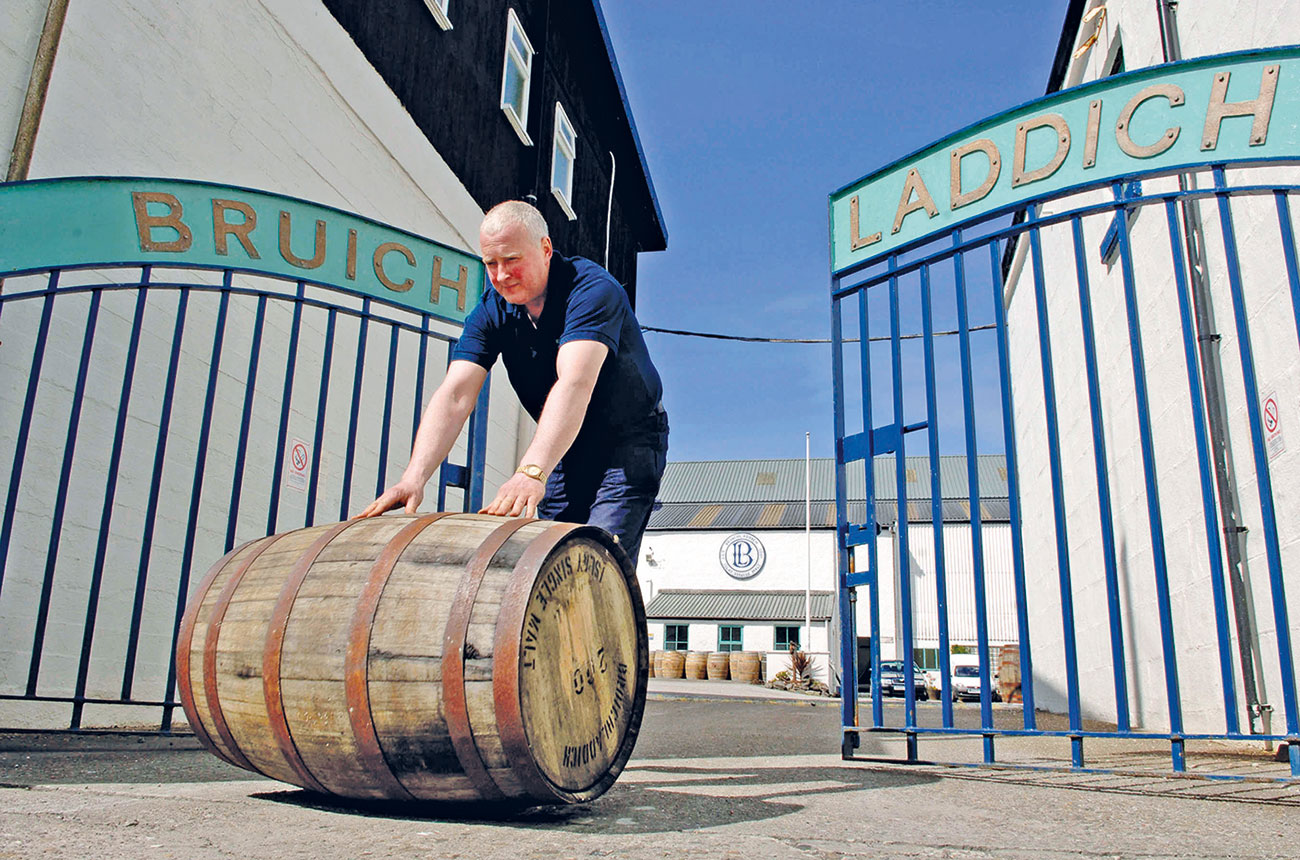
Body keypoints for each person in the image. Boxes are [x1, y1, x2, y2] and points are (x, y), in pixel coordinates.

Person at [357, 200, 668, 563]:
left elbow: (575, 384)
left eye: (512, 260)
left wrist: (531, 472)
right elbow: (456, 394)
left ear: (546, 249)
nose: (501, 274)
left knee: (596, 561)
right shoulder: (492, 309)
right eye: (491, 263)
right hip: (565, 448)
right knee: (553, 562)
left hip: (627, 445)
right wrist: (414, 477)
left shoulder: (592, 290)